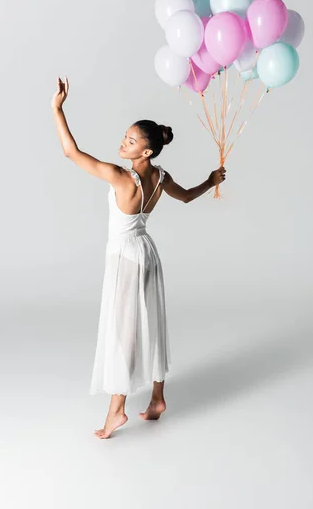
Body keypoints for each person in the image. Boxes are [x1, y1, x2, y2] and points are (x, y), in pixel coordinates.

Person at [52, 76, 226, 439]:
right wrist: (211, 181)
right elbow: (189, 196)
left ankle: (116, 412)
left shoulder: (120, 177)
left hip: (126, 256)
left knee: (124, 331)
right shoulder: (161, 177)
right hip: (147, 251)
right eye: (125, 136)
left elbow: (71, 153)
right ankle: (157, 399)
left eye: (131, 141)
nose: (123, 142)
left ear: (145, 152)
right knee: (152, 323)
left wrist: (57, 108)